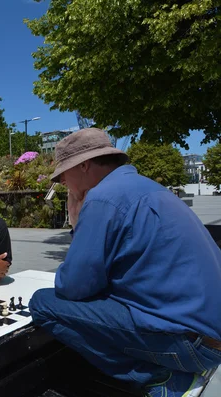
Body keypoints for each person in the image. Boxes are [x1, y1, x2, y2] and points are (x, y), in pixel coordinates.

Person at [28, 128, 221, 396]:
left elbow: (72, 287)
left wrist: (76, 223)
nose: (63, 184)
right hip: (210, 336)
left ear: (83, 166)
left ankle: (163, 378)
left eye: (62, 176)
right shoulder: (150, 187)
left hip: (193, 347)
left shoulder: (103, 197)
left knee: (43, 303)